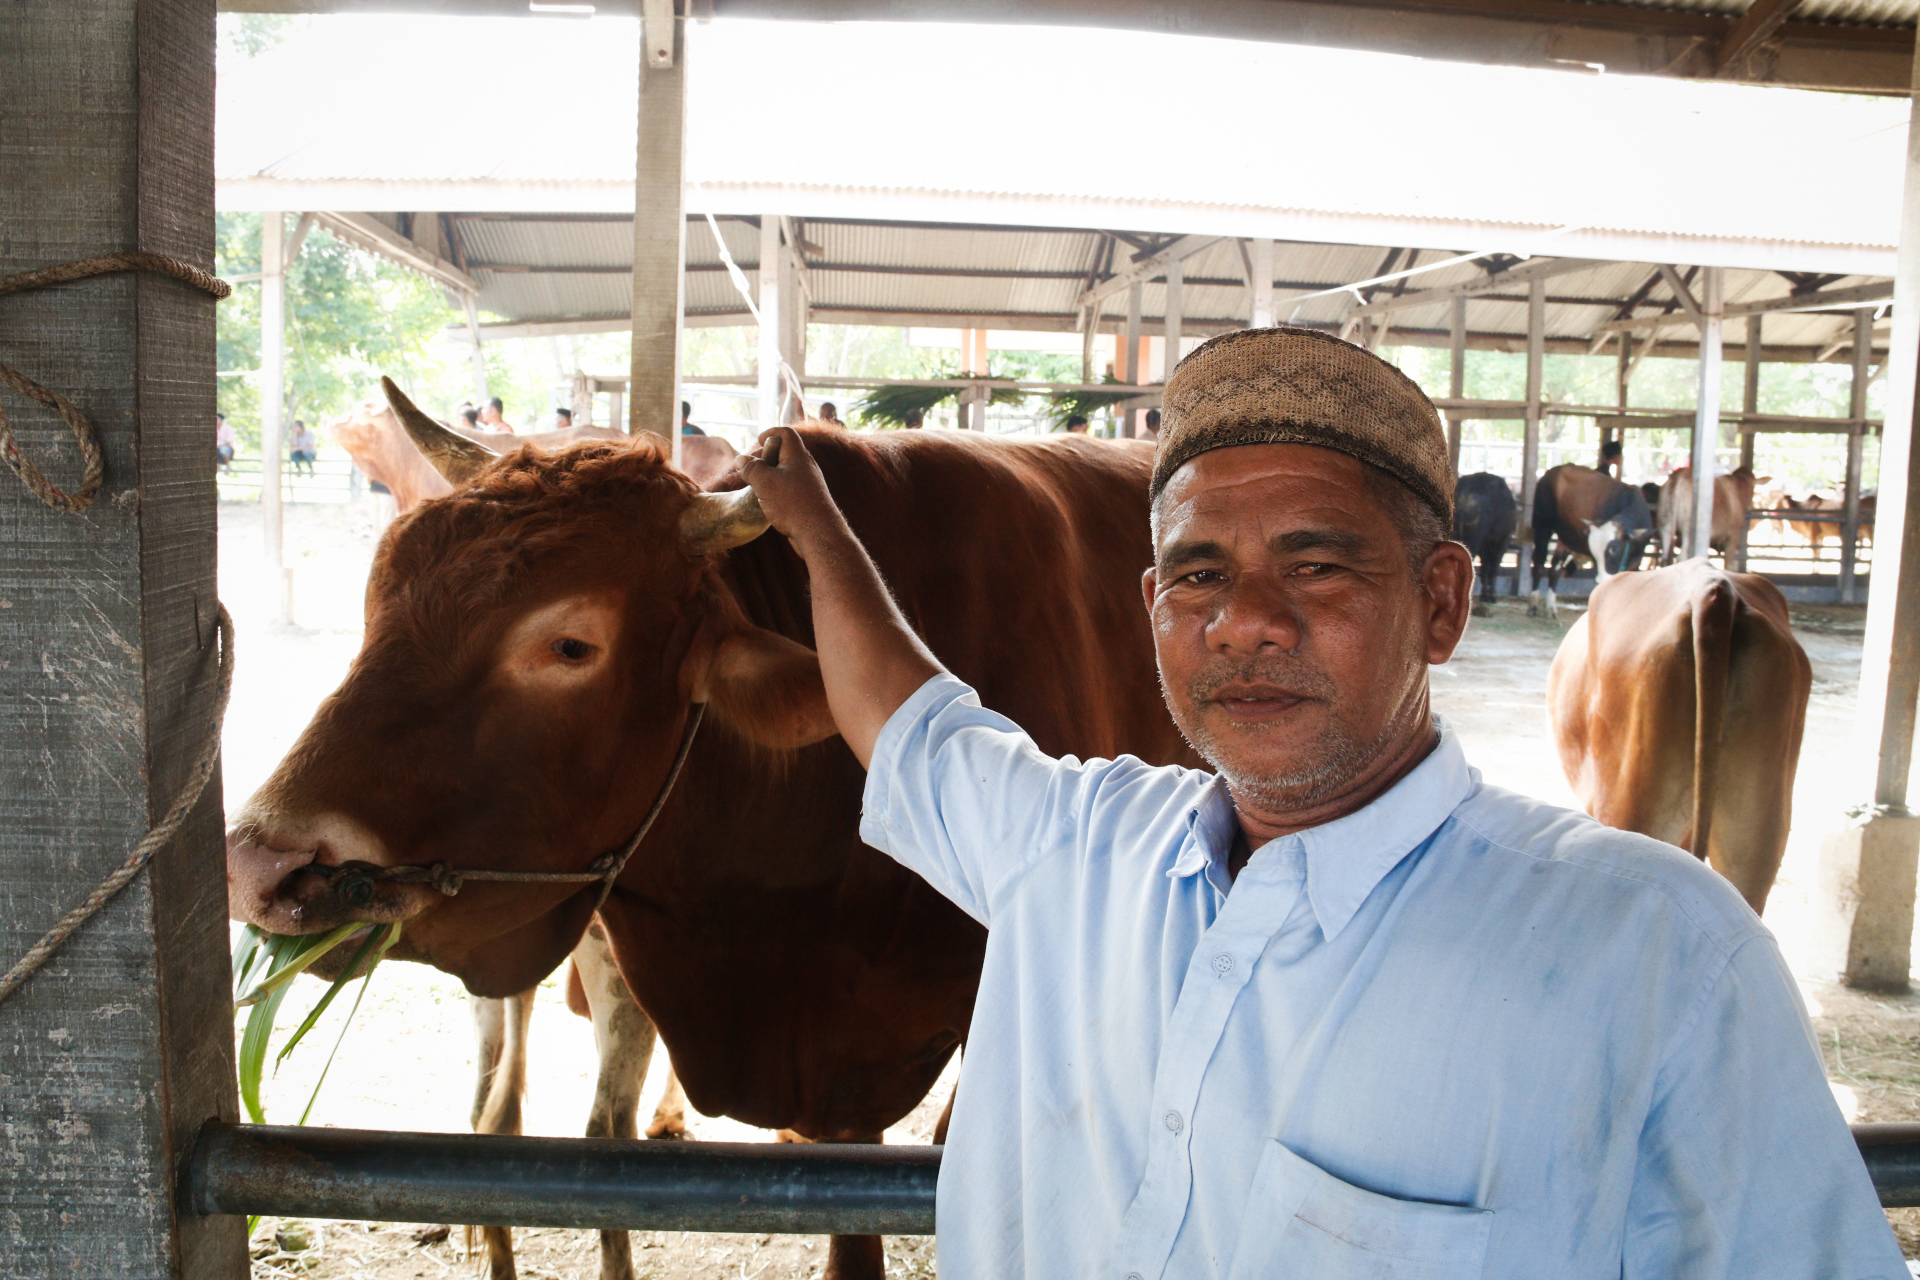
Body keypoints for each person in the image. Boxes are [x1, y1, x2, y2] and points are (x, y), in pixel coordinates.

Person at [734, 326, 1899, 1280]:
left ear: (1443, 602)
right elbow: (907, 714)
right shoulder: (1072, 847)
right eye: (1199, 574)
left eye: (1317, 564)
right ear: (1153, 610)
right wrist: (814, 524)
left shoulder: (1659, 958)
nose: (1244, 619)